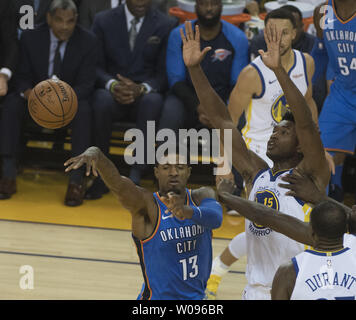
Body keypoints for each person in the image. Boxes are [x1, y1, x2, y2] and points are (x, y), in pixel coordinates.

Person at [180, 20, 330, 299]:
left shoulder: (311, 175)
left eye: (285, 132)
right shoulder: (256, 172)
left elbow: (307, 123)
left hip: (301, 288)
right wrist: (195, 70)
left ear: (300, 146)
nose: (275, 135)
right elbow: (222, 120)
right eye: (275, 129)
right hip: (256, 291)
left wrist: (278, 71)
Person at [64, 145, 223, 300]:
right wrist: (97, 155)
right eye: (166, 167)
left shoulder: (202, 196)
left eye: (180, 167)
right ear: (156, 172)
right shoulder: (147, 206)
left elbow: (216, 219)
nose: (173, 172)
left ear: (188, 172)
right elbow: (119, 185)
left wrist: (187, 211)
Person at [0, 0, 98, 206]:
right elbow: (22, 77)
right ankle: (7, 173)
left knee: (85, 110)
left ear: (76, 21)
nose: (65, 26)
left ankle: (76, 181)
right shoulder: (30, 37)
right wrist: (31, 93)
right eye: (60, 20)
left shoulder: (88, 41)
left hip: (69, 103)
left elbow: (87, 84)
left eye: (70, 21)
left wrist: (61, 99)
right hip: (35, 101)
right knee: (11, 104)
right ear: (49, 18)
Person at [160, 0, 249, 213]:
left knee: (239, 119)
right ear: (195, 6)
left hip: (223, 101)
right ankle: (169, 189)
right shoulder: (178, 34)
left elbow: (237, 84)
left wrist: (218, 112)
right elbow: (176, 80)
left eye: (214, 4)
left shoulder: (236, 37)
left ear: (221, 6)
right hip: (188, 100)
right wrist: (199, 107)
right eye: (204, 4)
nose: (209, 9)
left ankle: (233, 191)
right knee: (170, 113)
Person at [89, 0, 177, 195]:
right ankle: (101, 173)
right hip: (112, 91)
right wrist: (113, 85)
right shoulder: (102, 20)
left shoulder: (166, 24)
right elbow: (93, 65)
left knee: (153, 101)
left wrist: (142, 88)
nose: (140, 2)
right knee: (100, 100)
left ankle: (137, 172)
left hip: (143, 94)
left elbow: (164, 74)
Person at [216, 178, 356, 300]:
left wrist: (226, 195)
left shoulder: (290, 270)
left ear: (311, 232)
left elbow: (265, 215)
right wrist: (318, 197)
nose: (353, 206)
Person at [313, 0, 356, 202]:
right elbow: (322, 51)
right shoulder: (322, 12)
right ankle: (331, 204)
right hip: (341, 94)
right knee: (320, 156)